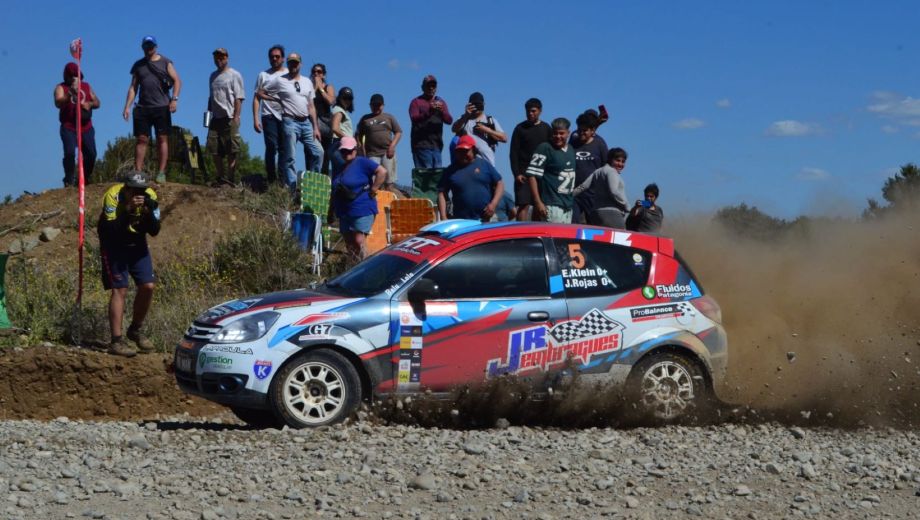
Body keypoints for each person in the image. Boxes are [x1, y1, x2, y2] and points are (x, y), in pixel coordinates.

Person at [97, 171, 161, 357]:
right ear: (126, 188)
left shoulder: (150, 196)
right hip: (114, 243)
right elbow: (110, 229)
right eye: (134, 190)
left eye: (141, 190)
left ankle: (135, 330)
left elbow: (155, 230)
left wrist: (148, 212)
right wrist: (127, 209)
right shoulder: (113, 195)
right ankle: (116, 341)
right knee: (120, 289)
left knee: (148, 286)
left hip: (136, 242)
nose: (138, 194)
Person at [258, 52, 323, 191]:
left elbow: (311, 106)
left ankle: (312, 184)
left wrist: (315, 127)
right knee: (290, 157)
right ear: (287, 64)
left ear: (300, 64)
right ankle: (292, 189)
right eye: (291, 62)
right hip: (289, 121)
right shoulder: (280, 80)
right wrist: (276, 99)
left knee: (318, 152)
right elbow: (260, 92)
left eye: (296, 62)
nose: (293, 65)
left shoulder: (307, 82)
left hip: (306, 122)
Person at [122, 36, 182, 184]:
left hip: (162, 106)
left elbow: (177, 80)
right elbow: (133, 87)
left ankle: (161, 173)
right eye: (146, 45)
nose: (149, 48)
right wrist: (127, 106)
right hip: (143, 107)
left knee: (162, 138)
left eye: (151, 45)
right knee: (142, 139)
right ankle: (138, 172)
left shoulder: (165, 62)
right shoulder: (138, 66)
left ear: (156, 46)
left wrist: (174, 99)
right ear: (142, 47)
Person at [326, 136, 386, 261]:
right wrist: (330, 211)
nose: (346, 153)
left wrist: (374, 189)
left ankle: (366, 268)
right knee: (349, 244)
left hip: (361, 209)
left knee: (359, 240)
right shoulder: (340, 168)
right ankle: (354, 269)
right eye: (343, 151)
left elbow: (382, 171)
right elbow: (334, 191)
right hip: (344, 211)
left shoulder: (362, 162)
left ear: (355, 150)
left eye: (349, 150)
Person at [437, 135, 504, 222]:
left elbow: (500, 183)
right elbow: (441, 193)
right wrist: (443, 216)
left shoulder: (484, 164)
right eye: (460, 151)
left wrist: (493, 204)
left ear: (473, 150)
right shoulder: (450, 170)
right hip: (461, 221)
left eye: (466, 151)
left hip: (486, 218)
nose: (463, 154)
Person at [55, 62, 99, 187]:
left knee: (91, 154)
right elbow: (58, 103)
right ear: (67, 76)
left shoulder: (86, 86)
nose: (75, 78)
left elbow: (97, 102)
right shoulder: (61, 88)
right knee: (69, 153)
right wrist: (69, 94)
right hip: (69, 126)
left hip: (86, 126)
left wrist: (89, 104)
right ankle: (69, 179)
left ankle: (85, 177)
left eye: (77, 76)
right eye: (72, 76)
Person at [526, 118, 576, 223]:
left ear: (568, 133)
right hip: (551, 205)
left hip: (568, 206)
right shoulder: (545, 148)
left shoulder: (571, 150)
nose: (558, 136)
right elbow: (532, 175)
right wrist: (538, 202)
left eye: (561, 133)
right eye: (555, 133)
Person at [206, 48, 245, 186]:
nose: (219, 59)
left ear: (227, 57)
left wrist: (236, 117)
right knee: (214, 149)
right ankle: (220, 176)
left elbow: (239, 97)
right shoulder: (212, 76)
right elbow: (211, 97)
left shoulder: (234, 75)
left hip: (230, 117)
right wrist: (208, 113)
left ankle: (230, 178)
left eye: (221, 57)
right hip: (215, 118)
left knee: (231, 149)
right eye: (216, 57)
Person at [508, 98, 551, 221]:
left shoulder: (546, 128)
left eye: (533, 111)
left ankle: (534, 233)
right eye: (528, 111)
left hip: (542, 174)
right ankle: (519, 234)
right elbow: (513, 153)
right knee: (523, 205)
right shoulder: (520, 128)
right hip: (523, 174)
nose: (530, 114)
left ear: (540, 111)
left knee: (538, 205)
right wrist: (516, 173)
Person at [252, 45, 287, 184]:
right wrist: (255, 118)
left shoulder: (289, 74)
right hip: (268, 115)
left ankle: (283, 181)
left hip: (286, 115)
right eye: (272, 56)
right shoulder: (263, 75)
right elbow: (256, 98)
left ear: (283, 58)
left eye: (277, 56)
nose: (274, 59)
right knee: (272, 146)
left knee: (285, 148)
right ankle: (271, 180)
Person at [572, 148, 629, 228]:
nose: (620, 164)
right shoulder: (612, 172)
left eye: (623, 161)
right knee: (621, 238)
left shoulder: (598, 171)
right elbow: (614, 191)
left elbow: (582, 187)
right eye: (617, 160)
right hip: (612, 214)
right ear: (610, 159)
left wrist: (568, 196)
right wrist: (627, 206)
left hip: (596, 214)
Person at [356, 94, 403, 191]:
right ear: (370, 105)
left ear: (383, 105)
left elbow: (398, 132)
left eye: (379, 105)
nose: (376, 107)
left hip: (387, 153)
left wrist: (392, 146)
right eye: (374, 105)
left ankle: (389, 203)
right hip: (372, 154)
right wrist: (361, 149)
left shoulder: (389, 117)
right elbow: (358, 135)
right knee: (373, 181)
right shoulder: (365, 119)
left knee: (389, 181)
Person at [570, 110, 609, 224]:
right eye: (579, 129)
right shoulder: (573, 141)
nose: (581, 133)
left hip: (593, 195)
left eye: (585, 131)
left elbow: (606, 168)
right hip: (574, 193)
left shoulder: (600, 144)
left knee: (595, 226)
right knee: (573, 225)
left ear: (592, 131)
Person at [450, 92, 507, 167]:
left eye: (478, 104)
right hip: (469, 164)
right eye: (474, 105)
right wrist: (466, 115)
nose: (476, 107)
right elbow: (454, 129)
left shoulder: (490, 120)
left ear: (483, 104)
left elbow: (504, 138)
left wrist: (487, 130)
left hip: (487, 163)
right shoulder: (464, 119)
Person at [409, 75, 453, 168]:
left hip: (437, 146)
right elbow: (414, 118)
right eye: (428, 86)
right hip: (421, 145)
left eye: (433, 86)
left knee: (436, 177)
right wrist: (429, 111)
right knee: (425, 177)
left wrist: (442, 112)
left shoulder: (441, 102)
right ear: (422, 87)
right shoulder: (416, 102)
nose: (431, 88)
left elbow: (449, 120)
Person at [311, 63, 336, 174]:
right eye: (314, 72)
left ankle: (324, 182)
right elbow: (306, 101)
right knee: (311, 153)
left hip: (325, 125)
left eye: (319, 72)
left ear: (324, 75)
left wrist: (321, 89)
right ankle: (310, 179)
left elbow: (331, 101)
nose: (316, 74)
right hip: (312, 123)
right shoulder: (308, 86)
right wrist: (314, 88)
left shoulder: (328, 87)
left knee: (326, 155)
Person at [330, 87, 355, 176]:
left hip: (338, 145)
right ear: (339, 98)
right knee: (345, 171)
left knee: (338, 173)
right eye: (345, 98)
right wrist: (347, 139)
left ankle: (336, 189)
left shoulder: (341, 110)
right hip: (340, 145)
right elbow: (335, 128)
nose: (347, 101)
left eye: (349, 98)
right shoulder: (339, 111)